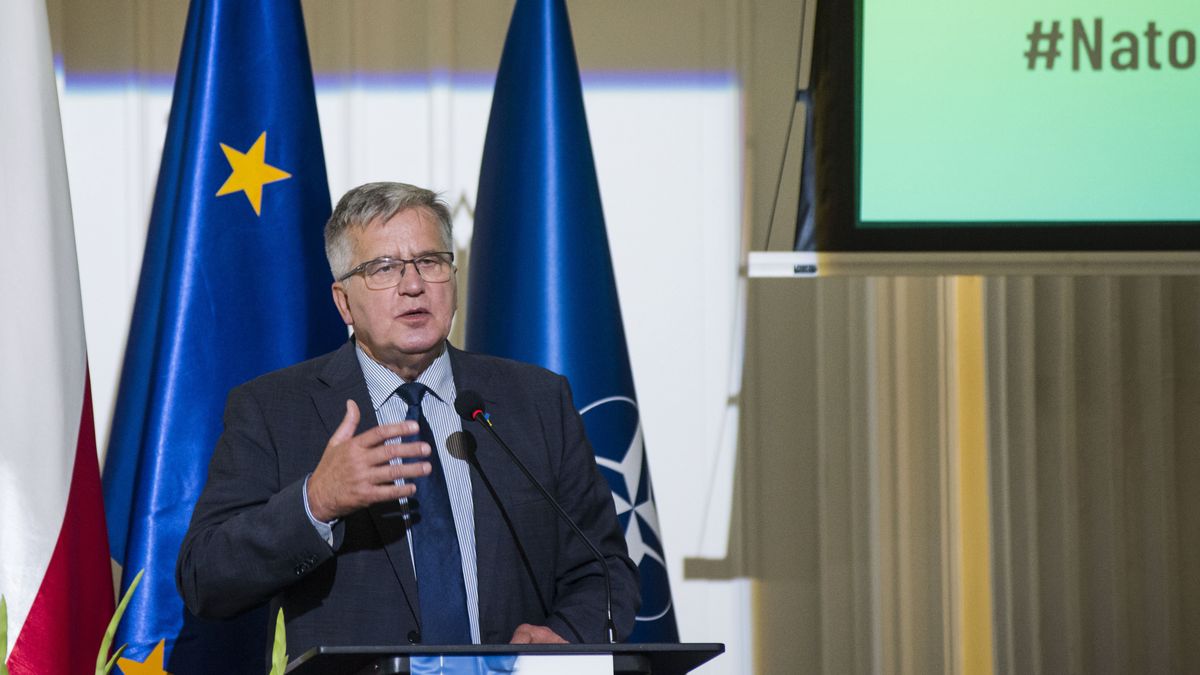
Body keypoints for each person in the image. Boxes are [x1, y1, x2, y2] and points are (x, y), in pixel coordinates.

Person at [176, 182, 639, 657]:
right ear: (343, 302)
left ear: (454, 281)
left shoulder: (537, 401)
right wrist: (315, 502)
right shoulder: (273, 410)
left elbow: (605, 570)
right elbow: (205, 578)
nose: (413, 284)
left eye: (431, 262)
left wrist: (565, 637)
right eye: (384, 268)